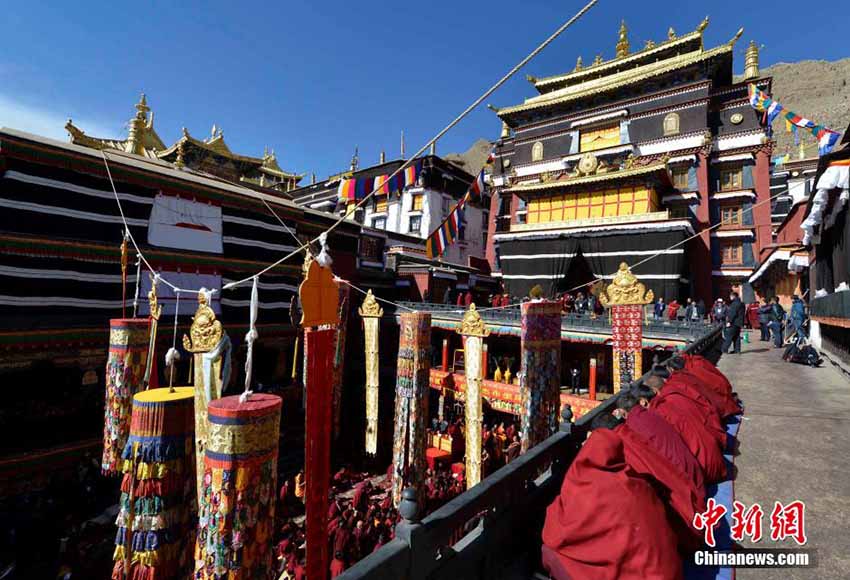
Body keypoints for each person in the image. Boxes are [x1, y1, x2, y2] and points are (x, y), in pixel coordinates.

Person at [541, 428, 682, 580]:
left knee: (550, 552)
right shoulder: (638, 484)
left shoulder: (588, 485)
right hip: (669, 571)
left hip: (642, 573)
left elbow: (557, 535)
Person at [615, 391, 705, 493]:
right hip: (694, 468)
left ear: (622, 412)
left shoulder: (632, 427)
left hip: (684, 480)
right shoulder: (653, 412)